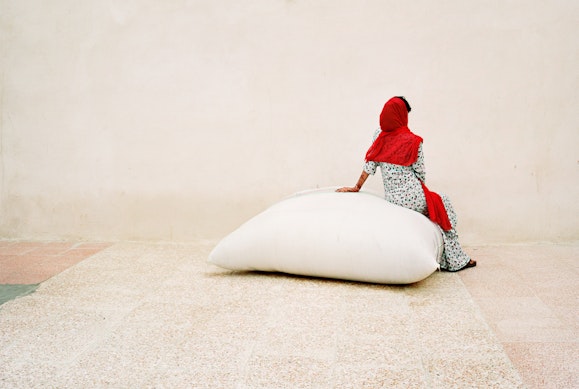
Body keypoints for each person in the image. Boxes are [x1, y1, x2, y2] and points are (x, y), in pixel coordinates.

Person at [337, 96, 476, 271]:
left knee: (436, 207)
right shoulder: (414, 141)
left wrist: (356, 187)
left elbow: (370, 164)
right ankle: (457, 261)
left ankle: (443, 256)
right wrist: (422, 194)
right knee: (444, 206)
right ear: (402, 116)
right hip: (414, 196)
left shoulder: (378, 136)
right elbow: (420, 173)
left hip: (392, 197)